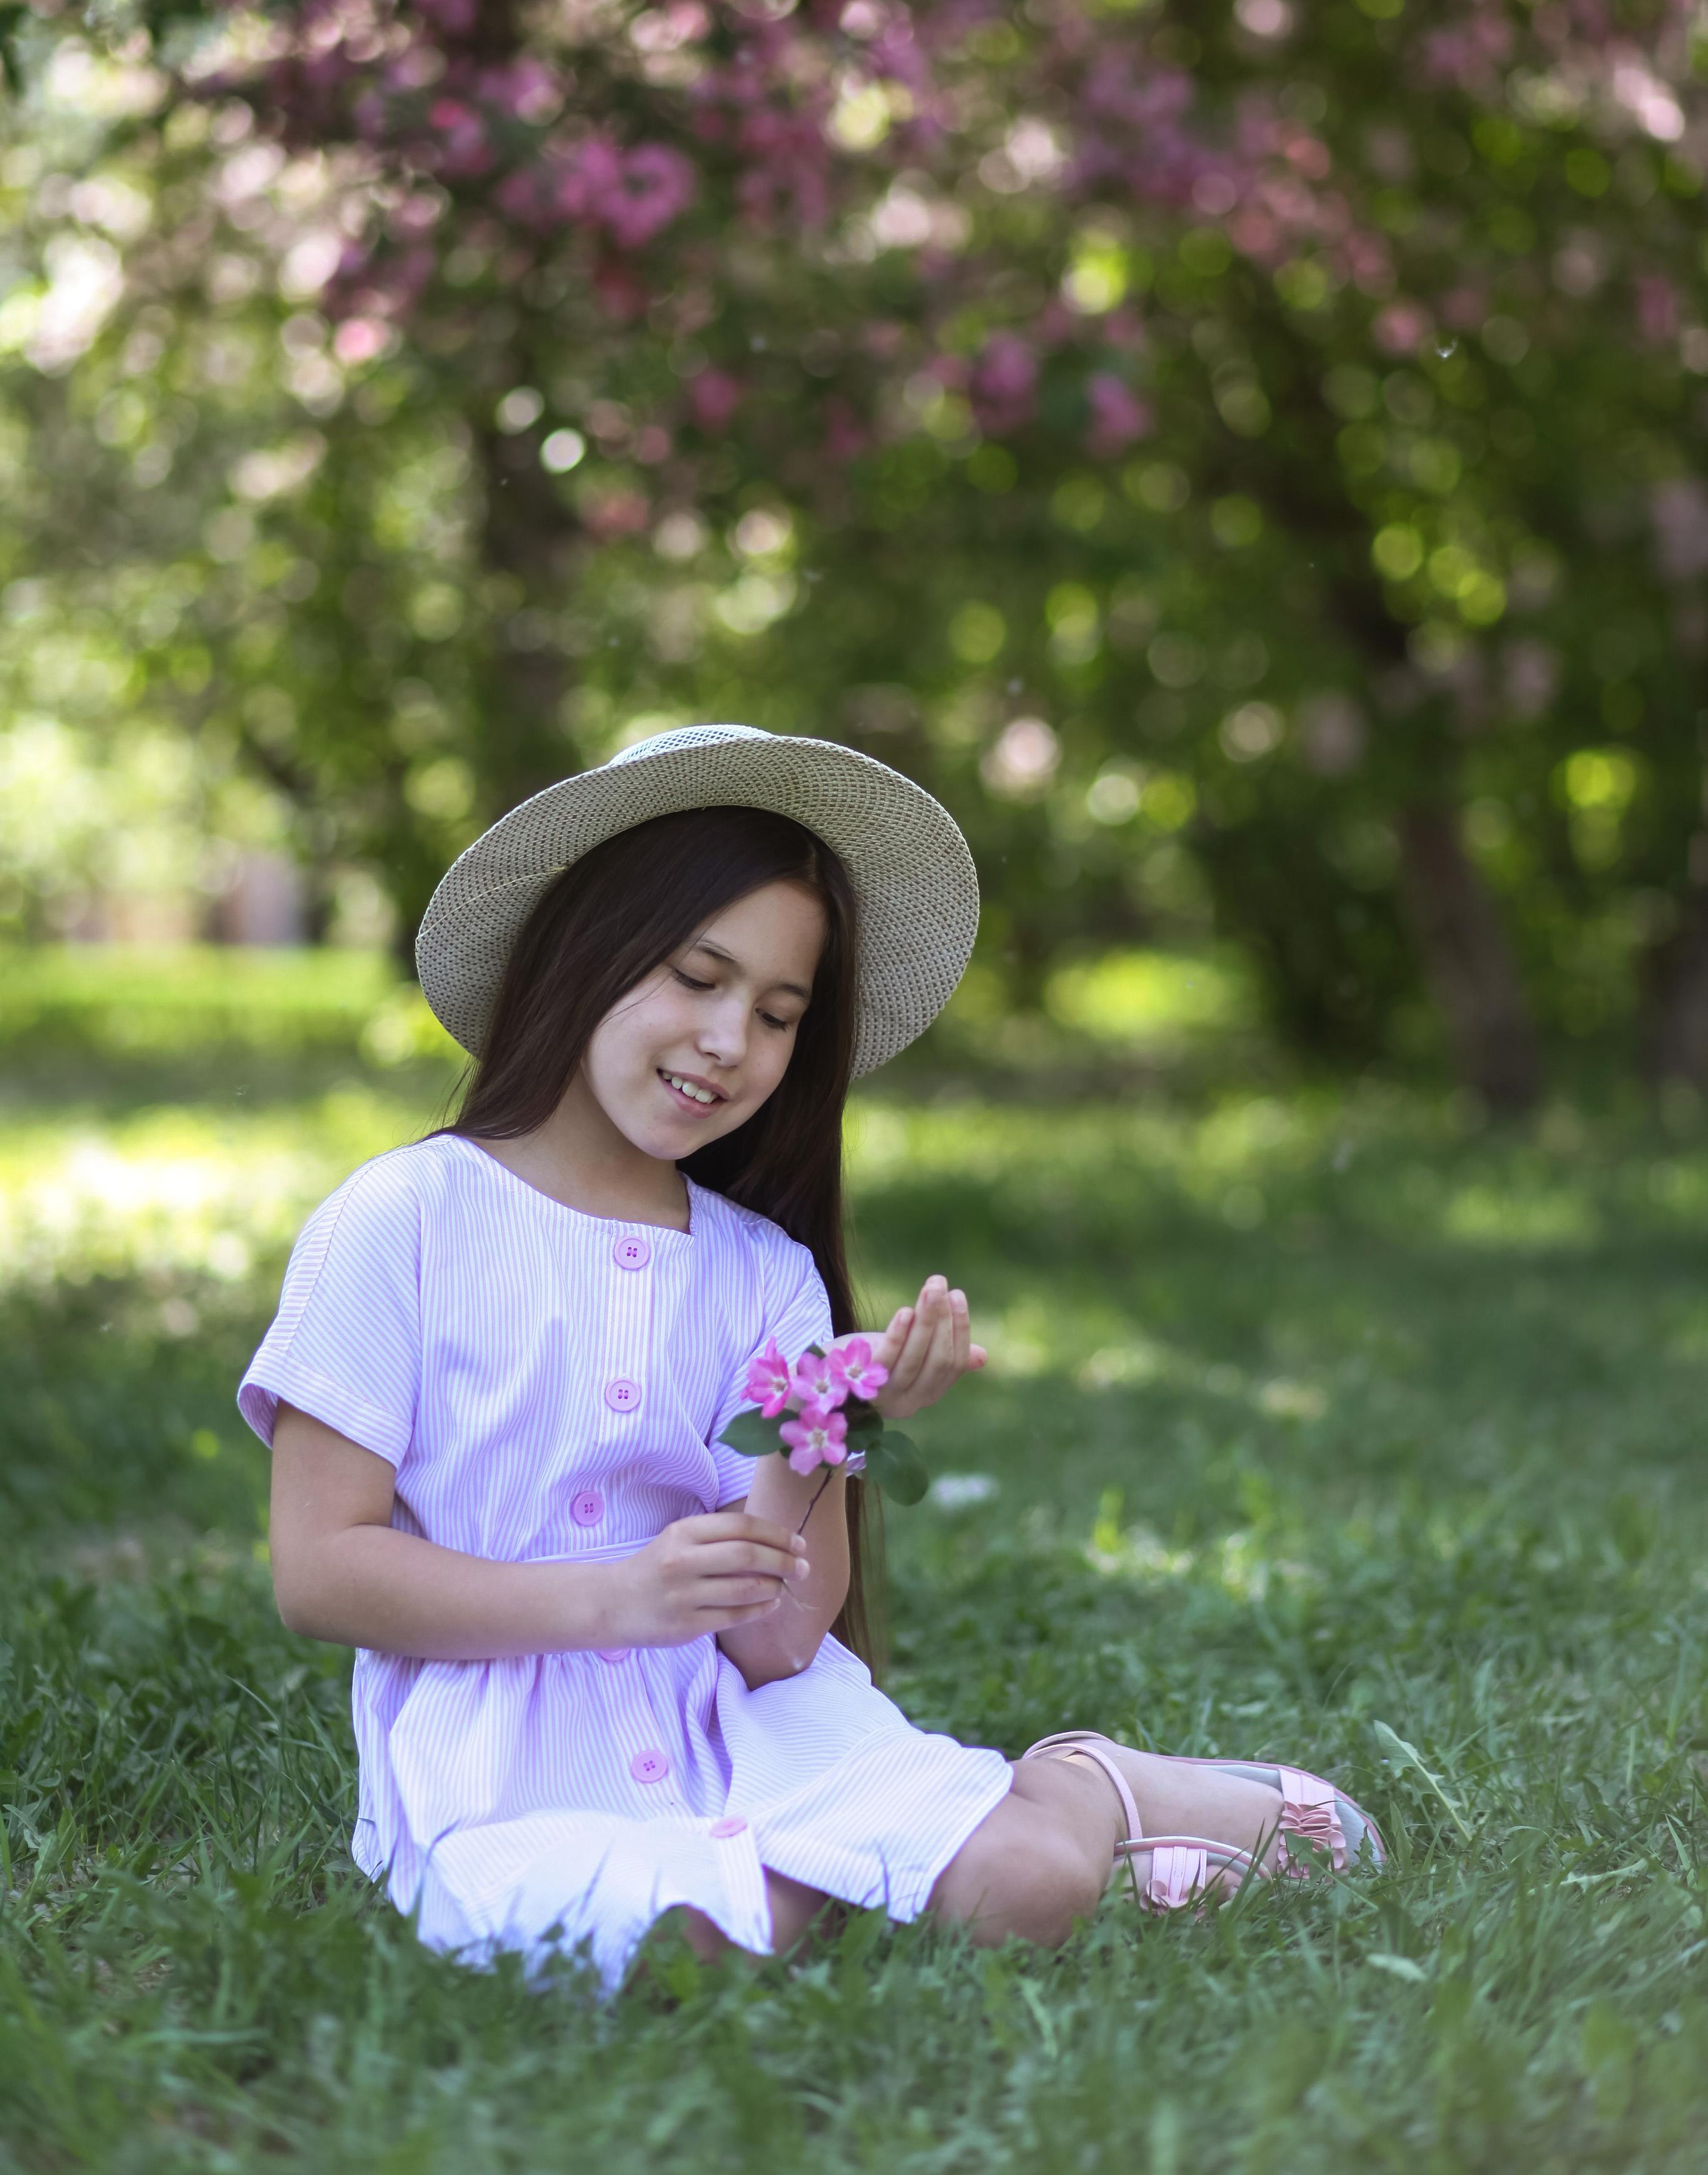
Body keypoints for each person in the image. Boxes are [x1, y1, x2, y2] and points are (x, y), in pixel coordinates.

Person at [240, 723, 1381, 1990]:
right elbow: (320, 1572)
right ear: (583, 951)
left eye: (777, 1014)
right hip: (504, 1770)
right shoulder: (402, 1219)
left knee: (1030, 1885)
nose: (730, 1040)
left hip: (753, 1734)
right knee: (672, 1941)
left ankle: (1085, 1787)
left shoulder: (763, 1272)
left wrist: (827, 1424)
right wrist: (616, 1597)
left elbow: (782, 1645)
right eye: (696, 977)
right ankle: (939, 1856)